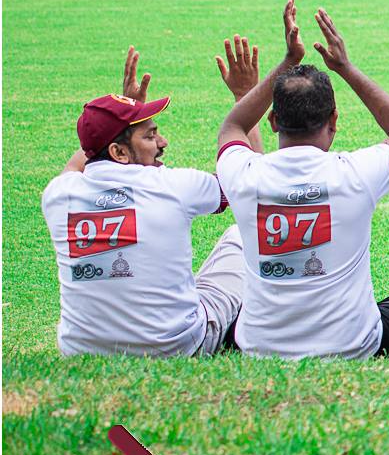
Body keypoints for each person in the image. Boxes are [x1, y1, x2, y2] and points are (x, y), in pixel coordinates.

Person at [216, 0, 389, 359]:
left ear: (274, 121)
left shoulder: (245, 175)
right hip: (354, 347)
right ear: (335, 120)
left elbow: (234, 126)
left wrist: (284, 64)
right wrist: (346, 68)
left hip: (258, 346)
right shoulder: (356, 173)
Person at [42, 45, 262, 357]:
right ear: (119, 153)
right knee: (241, 236)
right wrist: (245, 99)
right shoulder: (171, 185)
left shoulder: (58, 195)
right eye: (150, 136)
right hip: (178, 346)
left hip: (81, 351)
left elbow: (80, 161)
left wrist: (116, 120)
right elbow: (253, 184)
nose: (163, 142)